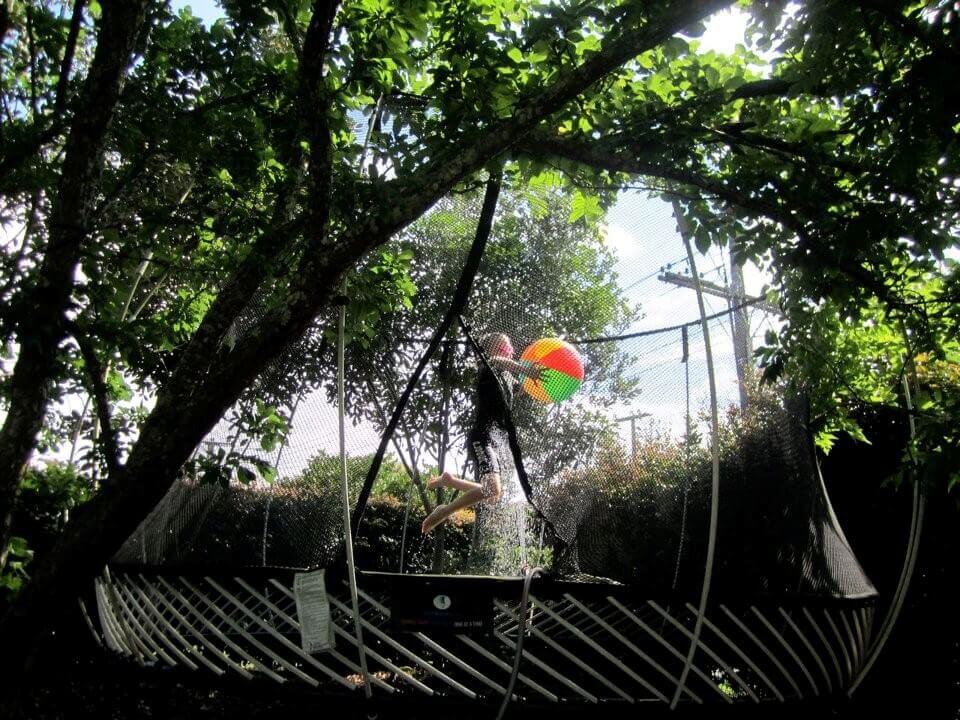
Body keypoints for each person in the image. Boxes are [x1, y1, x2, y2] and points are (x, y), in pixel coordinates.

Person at [421, 332, 542, 534]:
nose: (509, 352)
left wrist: (541, 381)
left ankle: (450, 481)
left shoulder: (507, 377)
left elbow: (520, 389)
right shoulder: (488, 365)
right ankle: (445, 510)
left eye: (509, 349)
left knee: (493, 494)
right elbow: (497, 360)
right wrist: (525, 369)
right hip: (482, 437)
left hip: (494, 440)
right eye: (505, 348)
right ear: (493, 350)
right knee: (491, 489)